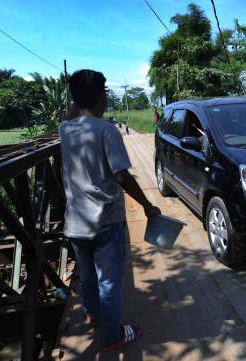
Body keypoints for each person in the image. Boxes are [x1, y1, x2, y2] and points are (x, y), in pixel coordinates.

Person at [59, 69, 161, 352]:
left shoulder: (65, 128)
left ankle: (93, 314)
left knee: (88, 277)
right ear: (103, 97)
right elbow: (122, 177)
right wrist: (148, 206)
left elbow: (72, 112)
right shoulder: (107, 131)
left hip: (76, 221)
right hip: (106, 220)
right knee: (110, 283)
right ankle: (111, 336)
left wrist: (79, 100)